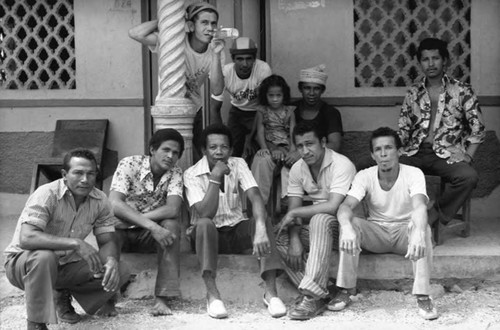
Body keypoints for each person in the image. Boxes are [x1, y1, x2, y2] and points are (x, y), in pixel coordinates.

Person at [4, 149, 130, 330]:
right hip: (23, 264)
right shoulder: (47, 193)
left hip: (64, 266)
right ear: (65, 174)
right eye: (78, 173)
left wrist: (111, 261)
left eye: (91, 173)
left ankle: (60, 293)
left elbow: (107, 241)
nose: (85, 179)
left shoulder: (100, 200)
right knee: (44, 257)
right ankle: (36, 323)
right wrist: (76, 243)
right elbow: (27, 238)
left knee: (121, 268)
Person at [330, 127, 438, 320]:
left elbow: (420, 206)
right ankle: (345, 290)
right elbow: (345, 206)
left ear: (399, 151)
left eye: (388, 148)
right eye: (378, 149)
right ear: (373, 155)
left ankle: (423, 295)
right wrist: (346, 228)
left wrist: (420, 232)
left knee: (422, 227)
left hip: (405, 234)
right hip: (377, 233)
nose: (384, 153)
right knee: (350, 222)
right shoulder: (364, 175)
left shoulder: (413, 173)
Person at [183, 123, 287, 319]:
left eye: (224, 147)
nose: (219, 152)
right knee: (204, 223)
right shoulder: (191, 174)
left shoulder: (238, 163)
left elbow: (255, 196)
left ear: (231, 149)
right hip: (208, 236)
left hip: (236, 230)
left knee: (262, 217)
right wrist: (215, 178)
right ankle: (212, 295)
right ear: (203, 150)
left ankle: (271, 294)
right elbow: (205, 212)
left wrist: (261, 227)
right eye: (213, 147)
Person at [398, 38, 485, 226]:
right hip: (415, 151)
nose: (430, 64)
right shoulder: (413, 92)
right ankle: (394, 220)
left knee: (468, 177)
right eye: (425, 59)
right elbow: (404, 127)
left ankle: (434, 215)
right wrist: (394, 151)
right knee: (373, 166)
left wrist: (468, 156)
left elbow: (478, 128)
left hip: (446, 155)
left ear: (444, 60)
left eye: (435, 58)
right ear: (420, 63)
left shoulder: (462, 90)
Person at [276, 121, 356, 320]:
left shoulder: (342, 164)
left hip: (347, 230)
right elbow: (294, 209)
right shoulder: (297, 169)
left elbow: (333, 206)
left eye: (310, 144)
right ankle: (322, 292)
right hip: (316, 230)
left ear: (322, 142)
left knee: (320, 219)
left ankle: (311, 297)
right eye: (300, 146)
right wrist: (294, 238)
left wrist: (294, 214)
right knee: (276, 236)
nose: (305, 151)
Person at [128, 2, 225, 159]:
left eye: (213, 23)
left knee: (195, 159)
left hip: (194, 110)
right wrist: (171, 20)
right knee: (167, 157)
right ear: (191, 26)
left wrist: (216, 55)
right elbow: (135, 33)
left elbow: (217, 90)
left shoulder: (216, 50)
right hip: (169, 110)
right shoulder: (173, 41)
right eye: (204, 22)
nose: (210, 28)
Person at [108, 129, 184, 316]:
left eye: (175, 153)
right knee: (109, 229)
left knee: (172, 226)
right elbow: (115, 203)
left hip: (140, 231)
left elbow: (172, 209)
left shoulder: (175, 172)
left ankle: (162, 299)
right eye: (166, 150)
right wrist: (151, 225)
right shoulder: (129, 164)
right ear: (152, 149)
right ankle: (108, 300)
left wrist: (137, 222)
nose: (170, 156)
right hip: (122, 230)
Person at [210, 37, 272, 157]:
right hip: (237, 112)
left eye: (249, 59)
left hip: (258, 111)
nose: (244, 64)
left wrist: (249, 138)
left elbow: (264, 104)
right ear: (233, 59)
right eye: (240, 59)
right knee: (232, 148)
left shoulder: (263, 69)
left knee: (260, 149)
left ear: (254, 59)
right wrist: (217, 135)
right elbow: (215, 106)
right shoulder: (226, 72)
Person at [282, 64, 344, 169]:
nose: (311, 93)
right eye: (307, 88)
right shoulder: (291, 110)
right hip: (290, 157)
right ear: (300, 89)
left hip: (321, 161)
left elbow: (335, 145)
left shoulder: (331, 112)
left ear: (322, 90)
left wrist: (302, 153)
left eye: (316, 89)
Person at [251, 74, 296, 205]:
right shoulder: (262, 111)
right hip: (269, 144)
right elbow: (260, 132)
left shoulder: (290, 111)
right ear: (265, 96)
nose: (275, 99)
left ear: (284, 95)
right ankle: (259, 205)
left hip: (287, 145)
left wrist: (292, 150)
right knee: (261, 161)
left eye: (278, 95)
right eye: (271, 96)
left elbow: (293, 131)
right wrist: (265, 149)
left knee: (291, 166)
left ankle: (288, 202)